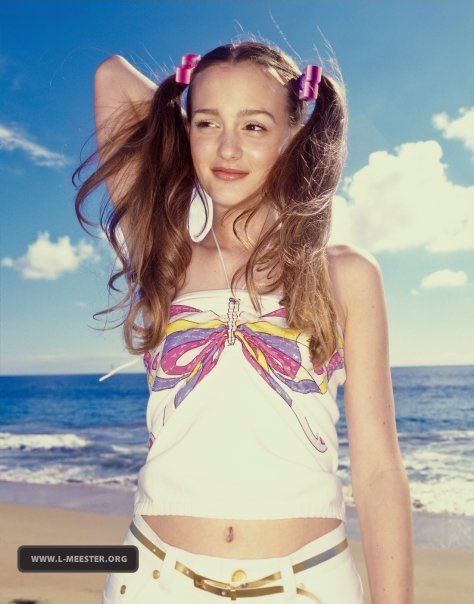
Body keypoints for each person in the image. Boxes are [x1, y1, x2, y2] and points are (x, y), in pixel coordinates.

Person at [74, 40, 413, 603]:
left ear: (294, 136)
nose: (227, 147)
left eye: (255, 127)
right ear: (185, 133)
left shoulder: (346, 274)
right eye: (208, 123)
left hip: (309, 585)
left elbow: (377, 471)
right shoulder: (164, 256)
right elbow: (112, 77)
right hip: (156, 581)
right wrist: (184, 110)